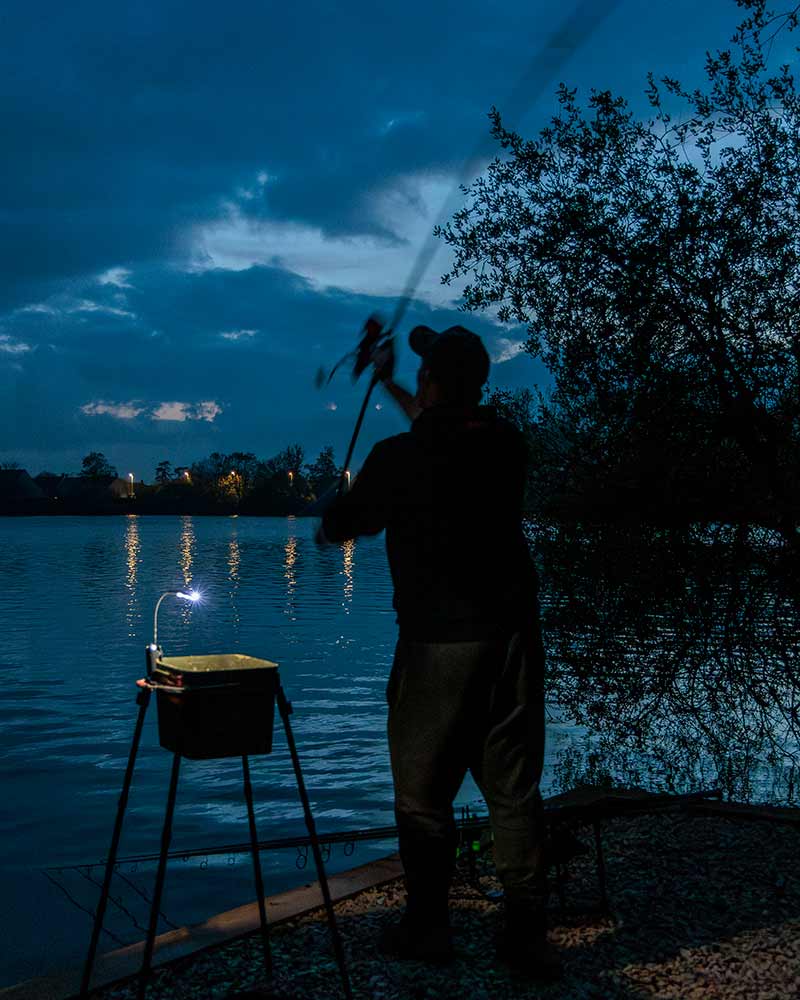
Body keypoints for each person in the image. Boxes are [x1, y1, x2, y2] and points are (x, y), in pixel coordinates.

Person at [316, 324, 560, 979]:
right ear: (480, 384)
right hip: (513, 642)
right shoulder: (506, 444)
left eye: (424, 377)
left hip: (439, 647)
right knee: (513, 793)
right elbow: (447, 428)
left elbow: (345, 527)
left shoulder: (400, 457)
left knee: (423, 799)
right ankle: (527, 938)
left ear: (431, 384)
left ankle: (428, 929)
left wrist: (329, 513)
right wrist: (392, 379)